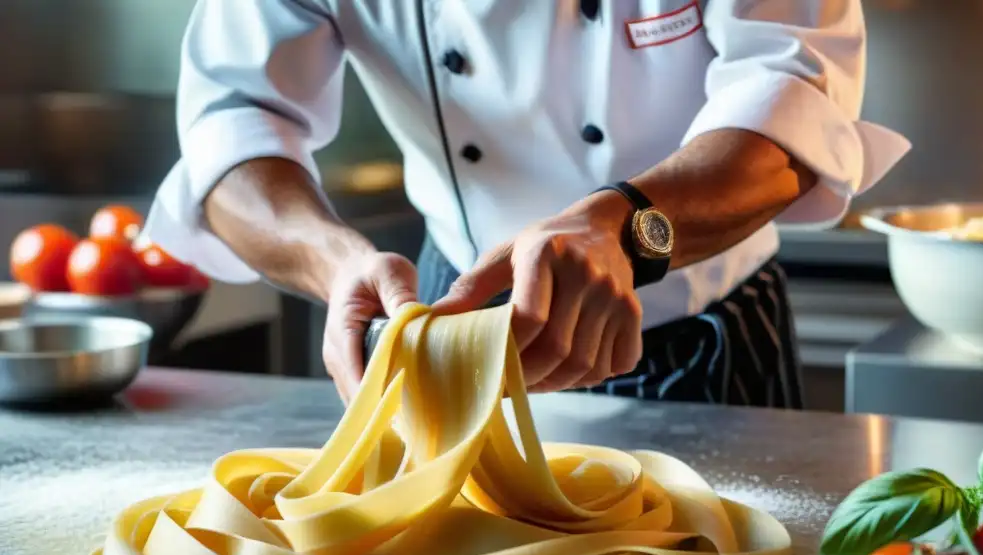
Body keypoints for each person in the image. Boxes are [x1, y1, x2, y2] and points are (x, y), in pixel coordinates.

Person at [143, 0, 909, 406]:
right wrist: (334, 263)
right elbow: (229, 130)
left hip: (701, 330)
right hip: (452, 323)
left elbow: (792, 107)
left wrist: (620, 231)